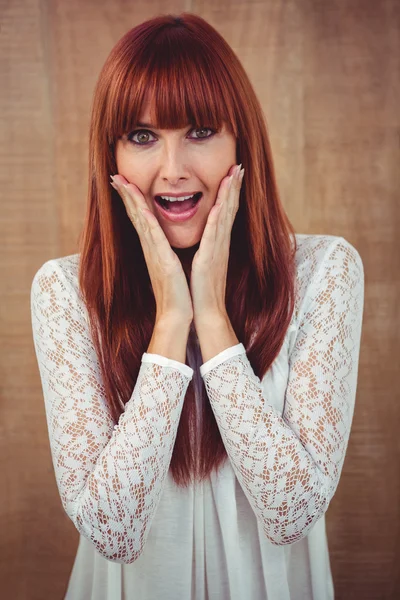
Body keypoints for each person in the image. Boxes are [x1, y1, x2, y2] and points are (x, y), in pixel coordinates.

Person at [30, 12, 365, 600]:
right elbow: (113, 529)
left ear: (242, 143)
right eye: (142, 136)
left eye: (201, 130)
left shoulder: (323, 272)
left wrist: (211, 315)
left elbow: (290, 510)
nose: (173, 169)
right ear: (109, 153)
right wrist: (171, 321)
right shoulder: (65, 292)